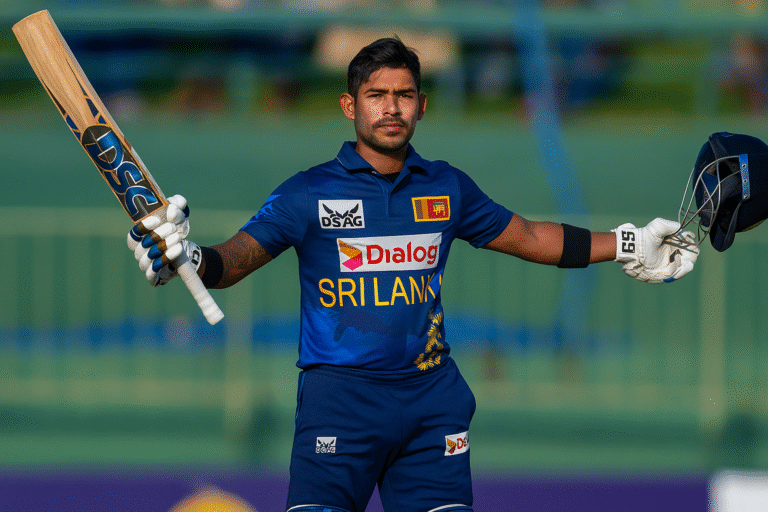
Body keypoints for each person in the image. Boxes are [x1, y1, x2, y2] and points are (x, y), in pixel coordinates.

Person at [129, 37, 699, 512]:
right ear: (350, 107)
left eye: (403, 95)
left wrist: (628, 243)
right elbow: (228, 264)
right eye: (377, 95)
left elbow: (528, 237)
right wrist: (181, 257)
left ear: (422, 105)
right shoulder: (308, 192)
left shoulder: (446, 185)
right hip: (339, 402)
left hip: (431, 403)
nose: (392, 108)